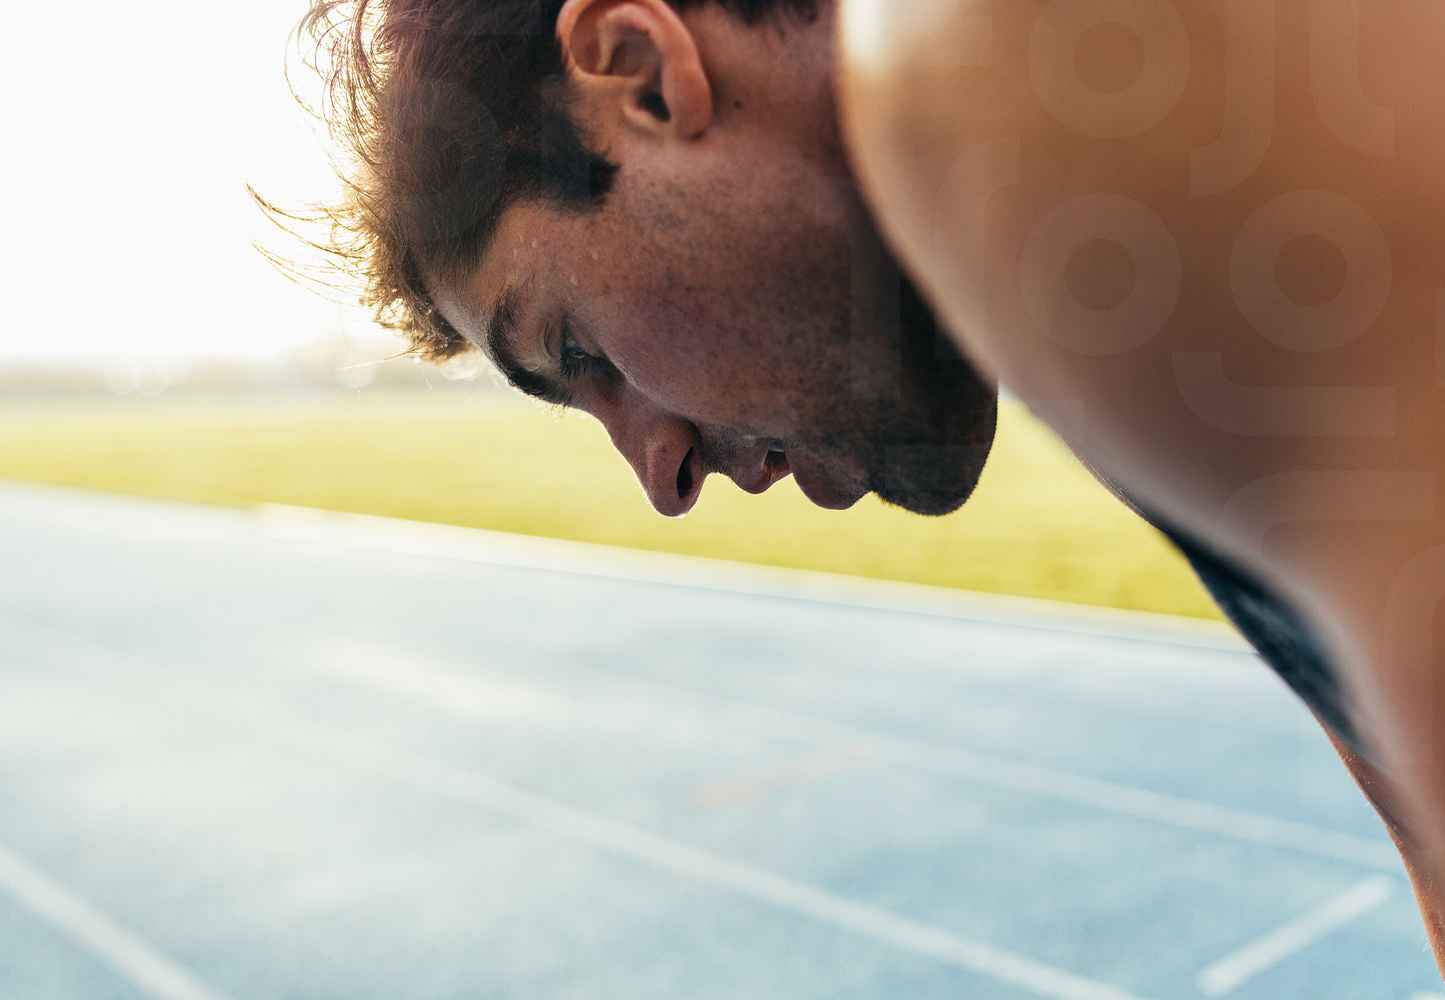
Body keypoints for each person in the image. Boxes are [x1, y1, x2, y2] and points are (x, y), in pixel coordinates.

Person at [283, 0, 1445, 973]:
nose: (660, 476)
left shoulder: (1016, 75)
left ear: (641, 72)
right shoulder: (1057, 267)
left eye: (577, 349)